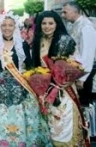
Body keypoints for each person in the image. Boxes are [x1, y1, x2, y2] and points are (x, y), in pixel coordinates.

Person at [0, 11, 52, 146]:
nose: (7, 28)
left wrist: (38, 84)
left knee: (24, 117)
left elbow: (29, 66)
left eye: (10, 25)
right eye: (4, 25)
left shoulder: (22, 44)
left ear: (15, 27)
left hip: (20, 86)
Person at [31, 10, 88, 146]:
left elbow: (76, 63)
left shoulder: (65, 41)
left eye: (51, 23)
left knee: (64, 121)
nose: (47, 26)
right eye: (44, 23)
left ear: (57, 24)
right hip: (44, 90)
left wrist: (69, 78)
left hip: (63, 88)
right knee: (48, 124)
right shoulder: (38, 41)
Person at [62, 1, 96, 139]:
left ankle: (89, 134)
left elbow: (87, 54)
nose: (63, 15)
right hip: (76, 71)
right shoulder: (74, 25)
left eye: (66, 12)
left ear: (76, 11)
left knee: (85, 104)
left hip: (85, 73)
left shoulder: (86, 27)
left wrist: (82, 78)